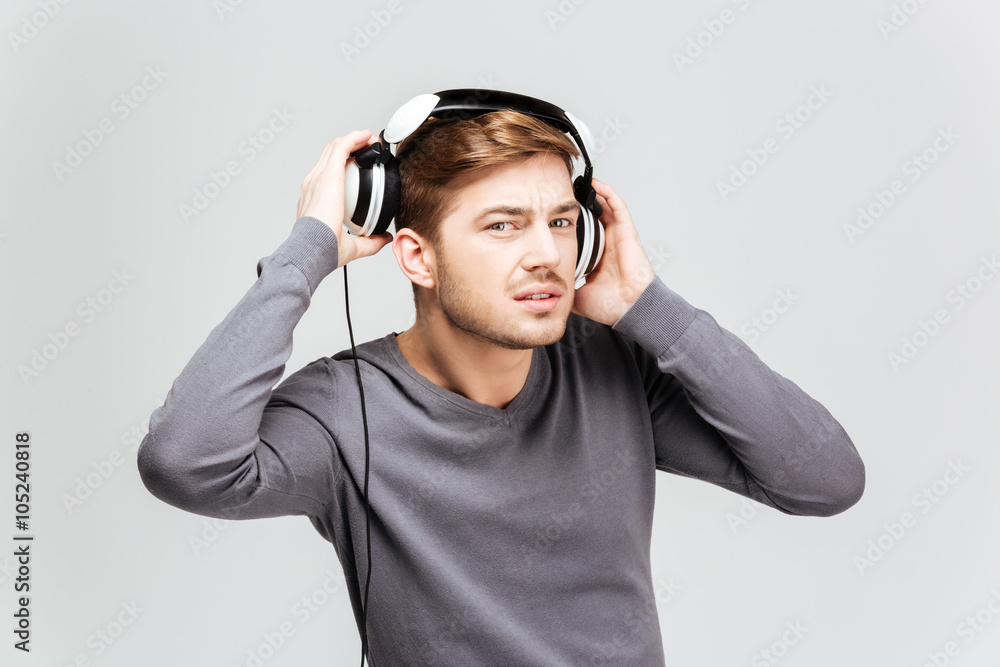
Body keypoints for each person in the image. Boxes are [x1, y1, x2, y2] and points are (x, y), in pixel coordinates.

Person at [137, 108, 865, 666]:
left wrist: (652, 308)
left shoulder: (618, 368)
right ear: (416, 257)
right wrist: (309, 249)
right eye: (503, 226)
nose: (547, 253)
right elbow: (185, 461)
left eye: (559, 221)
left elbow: (827, 479)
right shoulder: (344, 411)